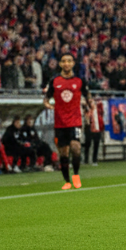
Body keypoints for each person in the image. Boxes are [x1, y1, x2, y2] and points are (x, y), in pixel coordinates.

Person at [43, 51, 90, 189]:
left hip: (75, 121)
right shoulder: (55, 81)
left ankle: (75, 175)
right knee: (63, 152)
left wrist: (90, 106)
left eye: (69, 61)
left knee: (76, 147)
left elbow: (88, 96)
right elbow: (46, 99)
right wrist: (49, 106)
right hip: (60, 122)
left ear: (73, 64)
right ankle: (67, 181)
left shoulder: (79, 81)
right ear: (60, 64)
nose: (66, 63)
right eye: (64, 61)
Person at [82, 97, 103, 166]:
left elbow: (102, 112)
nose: (92, 104)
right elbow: (87, 120)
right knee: (88, 144)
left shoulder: (98, 110)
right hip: (89, 129)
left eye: (93, 102)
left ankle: (94, 160)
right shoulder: (88, 112)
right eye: (91, 103)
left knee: (96, 144)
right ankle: (86, 159)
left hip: (97, 129)